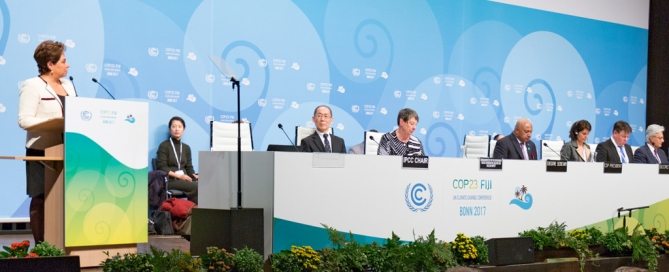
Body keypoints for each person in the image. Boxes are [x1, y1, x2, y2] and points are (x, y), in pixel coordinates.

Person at [18, 40, 76, 243]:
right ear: (50, 64)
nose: (68, 65)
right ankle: (41, 247)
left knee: (66, 198)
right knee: (41, 198)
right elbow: (24, 120)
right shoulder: (32, 86)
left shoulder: (68, 85)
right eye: (64, 60)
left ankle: (62, 241)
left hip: (68, 150)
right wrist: (54, 122)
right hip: (41, 151)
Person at [156, 116, 198, 203]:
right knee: (198, 187)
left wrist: (195, 176)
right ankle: (191, 212)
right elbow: (161, 167)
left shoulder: (186, 148)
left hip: (185, 180)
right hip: (171, 180)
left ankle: (194, 212)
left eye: (179, 126)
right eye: (174, 126)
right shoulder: (164, 146)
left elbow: (189, 168)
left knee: (206, 185)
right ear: (169, 129)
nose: (177, 129)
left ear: (183, 129)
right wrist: (179, 176)